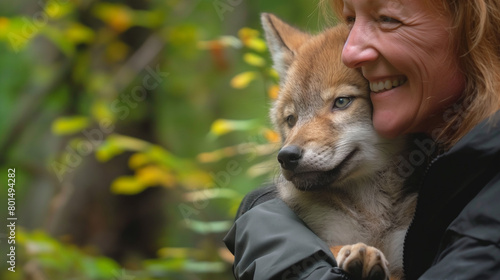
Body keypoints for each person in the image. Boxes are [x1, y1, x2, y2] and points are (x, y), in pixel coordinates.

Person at [223, 0, 500, 279]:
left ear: (473, 27)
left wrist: (271, 236)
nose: (351, 50)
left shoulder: (482, 198)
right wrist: (263, 215)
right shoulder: (437, 167)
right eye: (350, 20)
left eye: (388, 19)